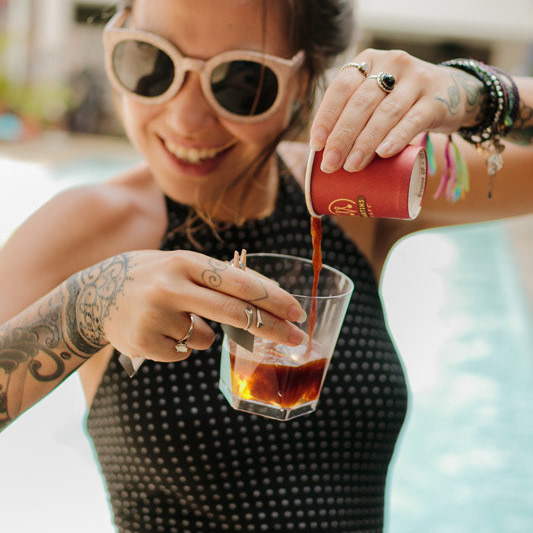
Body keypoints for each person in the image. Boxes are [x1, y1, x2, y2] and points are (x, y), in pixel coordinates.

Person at [1, 1, 532, 531]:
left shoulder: (348, 191)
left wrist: (476, 94)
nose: (185, 119)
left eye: (241, 81)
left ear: (305, 78)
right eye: (151, 62)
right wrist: (85, 307)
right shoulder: (88, 229)